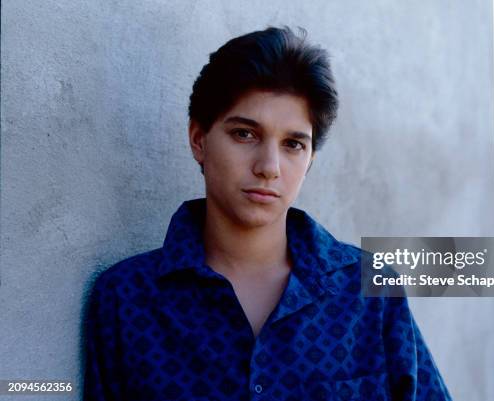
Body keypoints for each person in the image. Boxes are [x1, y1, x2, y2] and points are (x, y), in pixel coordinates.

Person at [83, 26, 452, 401]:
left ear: (309, 160)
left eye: (293, 144)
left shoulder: (368, 291)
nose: (269, 166)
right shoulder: (126, 299)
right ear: (199, 139)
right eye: (245, 134)